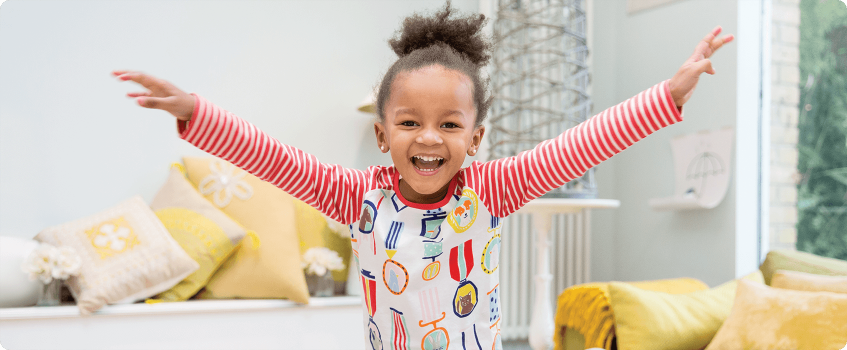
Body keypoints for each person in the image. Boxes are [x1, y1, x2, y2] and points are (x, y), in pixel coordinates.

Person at [113, 3, 732, 349]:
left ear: (475, 138)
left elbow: (581, 145)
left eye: (449, 124)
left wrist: (669, 94)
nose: (429, 137)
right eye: (409, 122)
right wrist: (196, 111)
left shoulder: (492, 189)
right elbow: (273, 157)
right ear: (382, 135)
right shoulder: (357, 195)